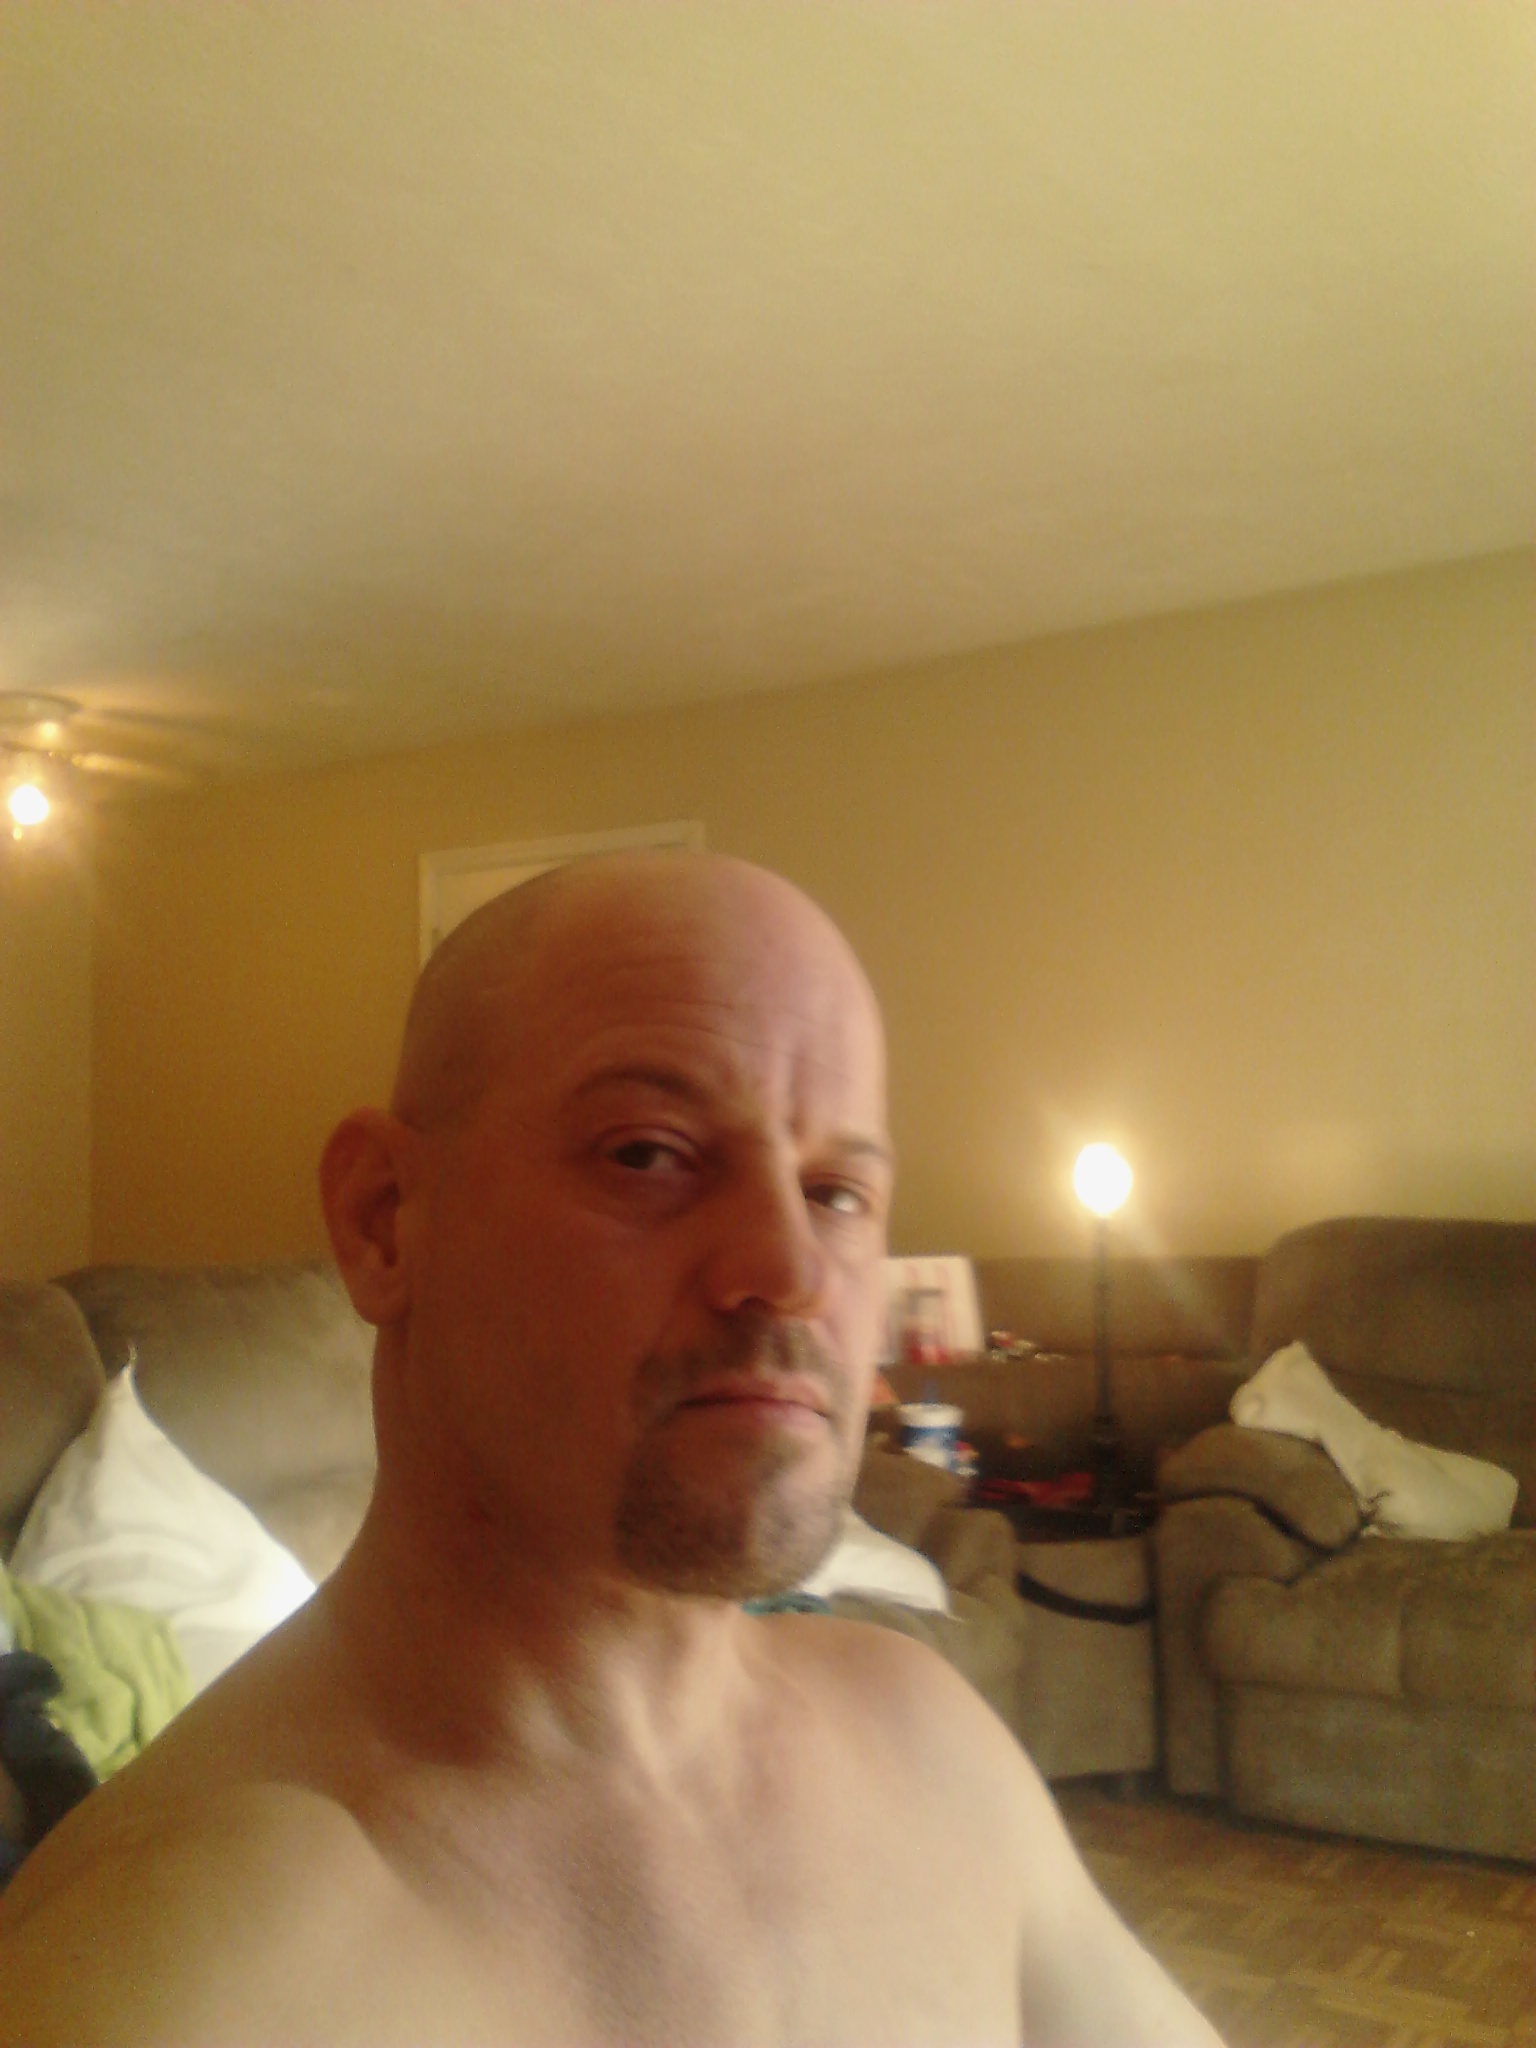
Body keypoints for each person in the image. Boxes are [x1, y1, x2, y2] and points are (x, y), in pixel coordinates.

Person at [0, 851, 1223, 2046]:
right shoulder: (187, 1963)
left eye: (836, 1192)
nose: (791, 1269)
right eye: (647, 1152)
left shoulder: (930, 1739)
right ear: (385, 1219)